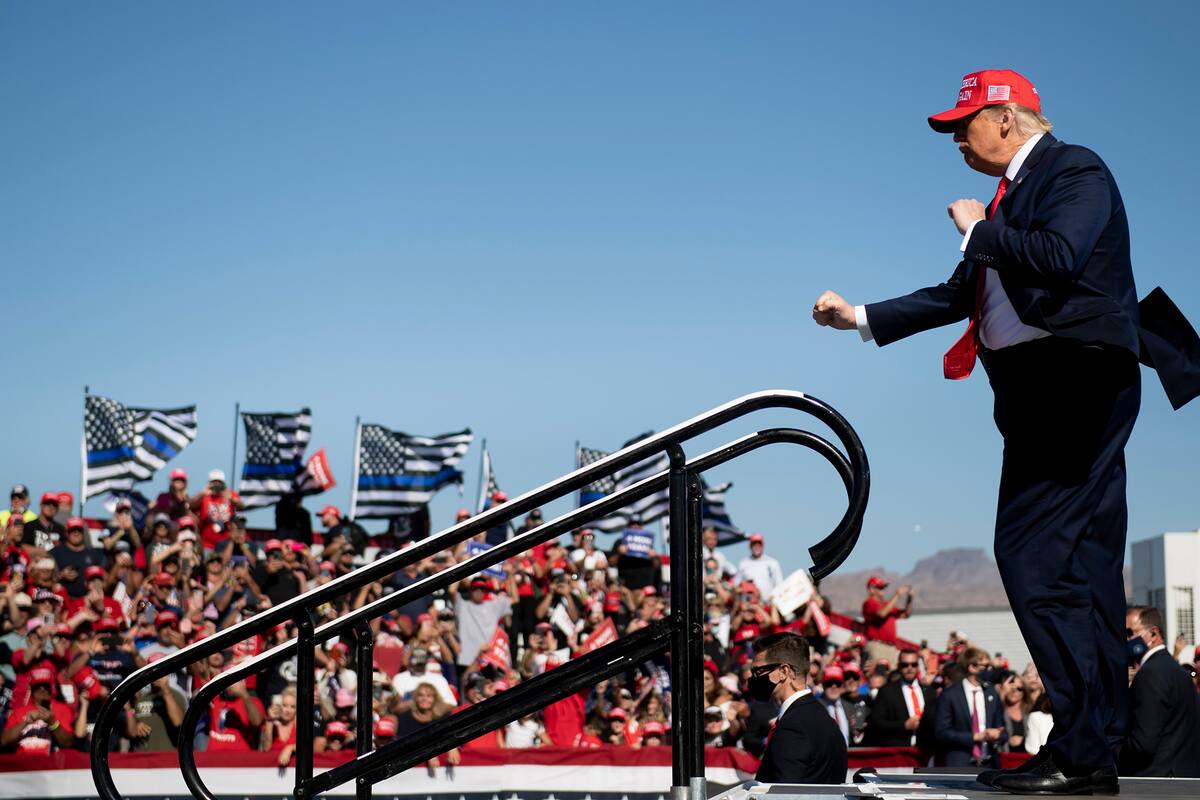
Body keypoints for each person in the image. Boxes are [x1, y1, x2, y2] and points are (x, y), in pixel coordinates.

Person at [812, 68, 1200, 795]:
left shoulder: (1074, 169)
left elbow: (1060, 257)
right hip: (1043, 392)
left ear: (1007, 118)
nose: (957, 141)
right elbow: (960, 293)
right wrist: (859, 316)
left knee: (1031, 556)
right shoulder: (1008, 202)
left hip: (1074, 382)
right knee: (1085, 567)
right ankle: (1092, 750)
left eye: (963, 126)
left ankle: (1083, 752)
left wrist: (979, 230)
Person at [750, 631, 847, 784]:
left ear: (784, 672)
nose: (753, 678)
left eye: (758, 671)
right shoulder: (825, 719)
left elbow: (784, 791)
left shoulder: (792, 726)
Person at [1118, 606, 1200, 777]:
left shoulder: (1151, 673)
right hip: (1182, 777)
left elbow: (1143, 743)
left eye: (1129, 632)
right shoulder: (1176, 670)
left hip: (1157, 779)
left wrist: (1111, 751)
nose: (1126, 639)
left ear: (1153, 634)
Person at [934, 647, 1006, 768]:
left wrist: (997, 735)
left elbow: (1003, 729)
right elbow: (942, 732)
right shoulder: (950, 695)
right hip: (960, 764)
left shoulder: (992, 692)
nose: (990, 670)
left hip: (989, 764)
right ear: (972, 667)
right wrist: (974, 737)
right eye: (985, 666)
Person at [865, 648, 935, 748]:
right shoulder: (887, 691)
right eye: (905, 665)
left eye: (914, 664)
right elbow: (876, 723)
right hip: (899, 750)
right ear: (899, 666)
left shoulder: (929, 691)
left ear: (918, 667)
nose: (910, 668)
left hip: (925, 749)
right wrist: (904, 725)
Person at [860, 576, 912, 663]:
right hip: (877, 645)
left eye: (883, 587)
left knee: (892, 671)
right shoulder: (869, 603)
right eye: (879, 587)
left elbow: (906, 614)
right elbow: (882, 614)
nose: (883, 589)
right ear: (871, 589)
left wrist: (910, 600)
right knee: (878, 670)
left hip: (891, 647)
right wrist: (897, 595)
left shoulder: (887, 604)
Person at [736, 533, 784, 598]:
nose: (756, 547)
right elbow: (736, 584)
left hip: (768, 601)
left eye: (759, 544)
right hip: (748, 601)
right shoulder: (743, 563)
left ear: (762, 546)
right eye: (754, 544)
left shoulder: (772, 563)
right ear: (750, 546)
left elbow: (779, 585)